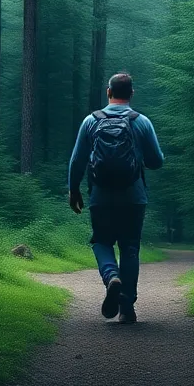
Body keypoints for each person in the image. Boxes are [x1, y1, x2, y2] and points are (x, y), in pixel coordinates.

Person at [67, 72, 164, 323]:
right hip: (133, 195)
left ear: (108, 92)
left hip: (101, 195)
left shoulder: (91, 121)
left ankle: (111, 276)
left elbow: (77, 160)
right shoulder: (141, 121)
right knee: (130, 247)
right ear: (132, 94)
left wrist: (73, 189)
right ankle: (127, 309)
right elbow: (156, 161)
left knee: (102, 242)